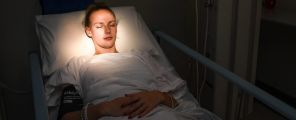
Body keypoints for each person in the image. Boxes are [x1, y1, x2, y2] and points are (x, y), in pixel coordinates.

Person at [45, 2, 220, 120]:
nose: (107, 30)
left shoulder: (140, 57)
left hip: (158, 113)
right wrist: (103, 109)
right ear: (89, 31)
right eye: (99, 26)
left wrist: (158, 96)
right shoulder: (79, 64)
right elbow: (66, 117)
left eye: (112, 24)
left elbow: (180, 101)